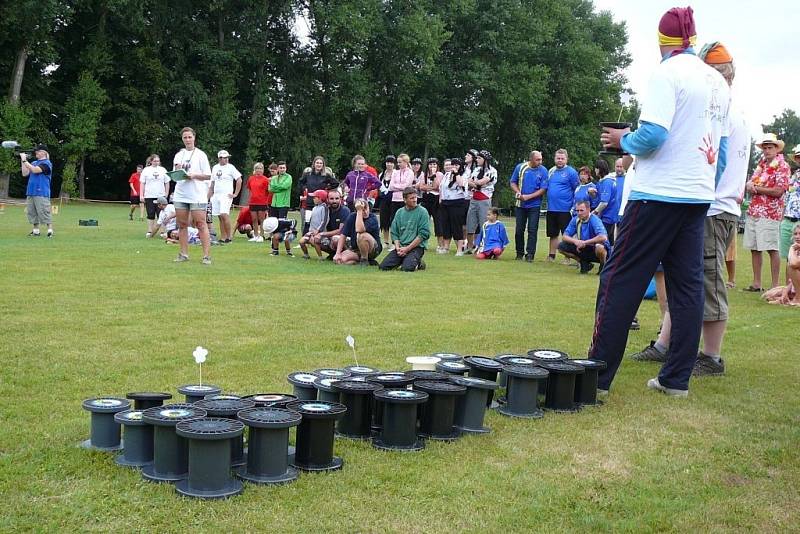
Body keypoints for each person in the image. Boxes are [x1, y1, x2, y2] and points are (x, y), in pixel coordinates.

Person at [590, 6, 730, 397]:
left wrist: (623, 142)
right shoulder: (716, 81)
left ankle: (597, 378)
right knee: (688, 287)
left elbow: (652, 136)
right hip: (697, 196)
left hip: (657, 195)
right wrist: (704, 186)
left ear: (662, 42)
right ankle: (675, 380)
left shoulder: (667, 73)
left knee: (619, 279)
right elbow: (720, 144)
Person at [629, 41, 751, 376]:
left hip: (711, 208)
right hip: (708, 207)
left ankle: (710, 356)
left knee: (706, 281)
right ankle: (664, 344)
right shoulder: (725, 110)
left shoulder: (725, 113)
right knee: (684, 279)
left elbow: (717, 163)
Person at [743, 133, 790, 291]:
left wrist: (755, 188)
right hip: (754, 209)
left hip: (770, 212)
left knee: (771, 247)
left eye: (770, 147)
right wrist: (750, 184)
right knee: (754, 247)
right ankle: (757, 284)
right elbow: (754, 182)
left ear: (777, 149)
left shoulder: (783, 166)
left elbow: (778, 191)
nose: (767, 150)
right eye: (765, 148)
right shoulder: (761, 164)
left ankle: (775, 285)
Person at [172, 127, 213, 264]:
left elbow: (208, 175)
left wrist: (194, 175)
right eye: (185, 137)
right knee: (182, 224)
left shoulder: (201, 155)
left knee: (201, 224)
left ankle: (206, 256)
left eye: (190, 137)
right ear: (182, 139)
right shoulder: (179, 155)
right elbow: (175, 175)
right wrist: (178, 173)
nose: (187, 140)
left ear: (194, 138)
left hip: (197, 194)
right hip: (181, 193)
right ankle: (183, 254)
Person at [509, 151, 548, 261]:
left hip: (534, 205)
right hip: (520, 204)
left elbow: (543, 189)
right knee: (519, 230)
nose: (540, 162)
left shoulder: (543, 170)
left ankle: (530, 254)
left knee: (532, 229)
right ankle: (519, 253)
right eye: (537, 160)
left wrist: (528, 197)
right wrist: (518, 193)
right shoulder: (520, 167)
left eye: (541, 159)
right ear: (531, 159)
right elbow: (512, 182)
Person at [379, 187, 430, 272]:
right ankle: (406, 259)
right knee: (383, 267)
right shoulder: (399, 212)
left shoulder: (423, 212)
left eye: (415, 197)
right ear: (405, 200)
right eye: (411, 198)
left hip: (416, 247)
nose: (414, 200)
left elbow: (423, 234)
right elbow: (394, 233)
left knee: (407, 268)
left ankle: (419, 263)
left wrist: (407, 249)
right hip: (401, 246)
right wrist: (398, 247)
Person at [545, 149, 580, 261]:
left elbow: (577, 189)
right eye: (558, 158)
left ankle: (567, 257)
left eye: (562, 158)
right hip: (551, 208)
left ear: (566, 159)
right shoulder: (551, 171)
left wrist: (574, 206)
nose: (560, 160)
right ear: (555, 158)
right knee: (553, 233)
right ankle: (551, 256)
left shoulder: (571, 172)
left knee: (567, 234)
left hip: (565, 209)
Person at [557, 201, 609, 273]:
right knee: (561, 246)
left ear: (588, 210)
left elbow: (603, 237)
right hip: (583, 248)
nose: (579, 213)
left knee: (599, 247)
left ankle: (603, 265)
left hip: (596, 249)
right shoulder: (575, 220)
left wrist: (584, 242)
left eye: (581, 210)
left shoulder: (595, 220)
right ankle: (584, 263)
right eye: (577, 210)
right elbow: (565, 236)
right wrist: (576, 241)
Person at [465, 150, 497, 254]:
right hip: (474, 199)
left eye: (479, 158)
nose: (477, 160)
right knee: (470, 223)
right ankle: (470, 247)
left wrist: (475, 183)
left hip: (484, 199)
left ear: (485, 160)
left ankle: (482, 246)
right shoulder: (477, 169)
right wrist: (475, 184)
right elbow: (470, 182)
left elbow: (481, 183)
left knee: (484, 223)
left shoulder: (492, 171)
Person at [334, 198, 383, 266]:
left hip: (373, 249)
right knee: (341, 260)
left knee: (362, 236)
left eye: (366, 208)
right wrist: (338, 253)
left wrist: (359, 211)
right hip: (356, 249)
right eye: (362, 210)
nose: (365, 212)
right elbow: (343, 235)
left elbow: (359, 229)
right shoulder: (352, 216)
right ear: (355, 211)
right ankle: (367, 262)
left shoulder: (372, 218)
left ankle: (364, 260)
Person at [208, 149, 242, 244]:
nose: (226, 159)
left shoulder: (231, 167)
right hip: (216, 195)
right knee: (219, 216)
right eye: (224, 158)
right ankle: (223, 237)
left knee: (224, 214)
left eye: (227, 157)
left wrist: (235, 193)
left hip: (226, 195)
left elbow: (239, 180)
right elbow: (212, 183)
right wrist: (209, 195)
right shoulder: (215, 167)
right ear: (219, 158)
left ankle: (229, 236)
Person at [21, 144, 54, 237]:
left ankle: (50, 230)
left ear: (43, 152)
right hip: (31, 191)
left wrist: (25, 160)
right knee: (32, 212)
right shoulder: (34, 162)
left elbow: (35, 170)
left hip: (41, 191)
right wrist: (23, 161)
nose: (36, 152)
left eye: (38, 151)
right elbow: (25, 173)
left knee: (44, 211)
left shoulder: (47, 163)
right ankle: (36, 231)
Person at [763, 224, 800, 305]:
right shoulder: (797, 250)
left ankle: (797, 300)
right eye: (795, 234)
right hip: (796, 285)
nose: (797, 236)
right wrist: (785, 291)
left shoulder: (794, 249)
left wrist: (791, 248)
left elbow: (794, 264)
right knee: (770, 294)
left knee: (791, 266)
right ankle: (787, 298)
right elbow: (794, 279)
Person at [299, 156, 338, 231]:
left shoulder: (326, 175)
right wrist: (304, 189)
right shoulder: (308, 174)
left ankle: (319, 239)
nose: (319, 165)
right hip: (309, 202)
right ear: (314, 164)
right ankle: (304, 240)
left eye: (321, 163)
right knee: (307, 222)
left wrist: (327, 189)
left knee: (320, 222)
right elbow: (300, 183)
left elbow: (335, 183)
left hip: (321, 203)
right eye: (317, 163)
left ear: (323, 165)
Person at [438, 157, 468, 255]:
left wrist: (456, 173)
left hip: (457, 202)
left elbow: (461, 184)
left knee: (456, 225)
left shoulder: (463, 175)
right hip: (445, 202)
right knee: (446, 225)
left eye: (456, 165)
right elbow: (442, 187)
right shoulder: (447, 174)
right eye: (452, 164)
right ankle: (446, 247)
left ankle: (460, 249)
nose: (454, 167)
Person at [779, 145, 800, 284]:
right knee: (788, 256)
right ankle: (789, 288)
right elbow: (787, 196)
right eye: (798, 157)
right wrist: (782, 217)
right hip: (787, 219)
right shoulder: (794, 175)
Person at [314, 189, 350, 258]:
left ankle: (346, 254)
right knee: (313, 239)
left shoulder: (345, 211)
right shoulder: (325, 210)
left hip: (344, 238)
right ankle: (332, 254)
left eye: (337, 198)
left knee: (335, 239)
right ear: (327, 199)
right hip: (330, 237)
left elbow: (340, 231)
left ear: (340, 199)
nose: (334, 201)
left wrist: (322, 234)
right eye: (331, 199)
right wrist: (314, 233)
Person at [140, 155, 169, 237]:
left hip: (160, 195)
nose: (156, 162)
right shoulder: (146, 170)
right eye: (155, 161)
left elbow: (167, 182)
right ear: (151, 161)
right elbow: (142, 183)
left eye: (158, 161)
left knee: (161, 214)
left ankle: (163, 232)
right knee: (150, 213)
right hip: (149, 195)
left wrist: (166, 194)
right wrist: (141, 195)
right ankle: (150, 231)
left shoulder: (163, 170)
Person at [418, 158, 444, 252]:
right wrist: (430, 187)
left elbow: (437, 186)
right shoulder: (423, 174)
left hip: (436, 199)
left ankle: (440, 244)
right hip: (426, 199)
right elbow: (421, 186)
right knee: (424, 221)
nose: (432, 166)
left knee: (438, 221)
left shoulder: (440, 174)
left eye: (434, 164)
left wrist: (433, 176)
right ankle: (422, 243)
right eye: (430, 164)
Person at [388, 153, 415, 233]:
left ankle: (405, 239)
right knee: (394, 220)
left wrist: (396, 187)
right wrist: (400, 187)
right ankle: (394, 240)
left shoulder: (410, 172)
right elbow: (390, 187)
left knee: (405, 220)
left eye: (400, 162)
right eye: (398, 162)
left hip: (405, 200)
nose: (398, 164)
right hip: (394, 199)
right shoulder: (395, 172)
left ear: (406, 162)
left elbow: (406, 187)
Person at [593, 161, 618, 244]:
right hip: (610, 215)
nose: (595, 170)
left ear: (599, 169)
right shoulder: (603, 181)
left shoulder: (607, 182)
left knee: (602, 241)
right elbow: (597, 197)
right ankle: (610, 256)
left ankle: (605, 257)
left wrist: (595, 212)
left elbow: (604, 202)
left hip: (607, 216)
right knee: (610, 241)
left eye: (596, 168)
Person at [299, 189, 329, 260]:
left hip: (319, 233)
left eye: (315, 197)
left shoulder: (324, 207)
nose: (313, 199)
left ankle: (320, 257)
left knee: (314, 241)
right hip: (311, 231)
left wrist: (318, 230)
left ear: (320, 198)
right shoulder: (314, 207)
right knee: (301, 241)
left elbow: (324, 221)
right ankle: (306, 255)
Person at [247, 162, 271, 242]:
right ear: (255, 169)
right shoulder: (251, 178)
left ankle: (261, 236)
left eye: (260, 168)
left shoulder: (265, 179)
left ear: (263, 170)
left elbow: (268, 191)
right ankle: (256, 235)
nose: (259, 170)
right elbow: (250, 189)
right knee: (254, 219)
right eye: (257, 168)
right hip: (253, 202)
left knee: (261, 220)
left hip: (262, 202)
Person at [377, 156, 396, 245]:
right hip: (384, 199)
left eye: (391, 162)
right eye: (388, 162)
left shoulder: (396, 173)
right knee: (384, 220)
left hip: (394, 199)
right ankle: (385, 241)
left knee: (393, 220)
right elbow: (379, 185)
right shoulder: (381, 174)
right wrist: (384, 191)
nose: (389, 164)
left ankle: (394, 240)